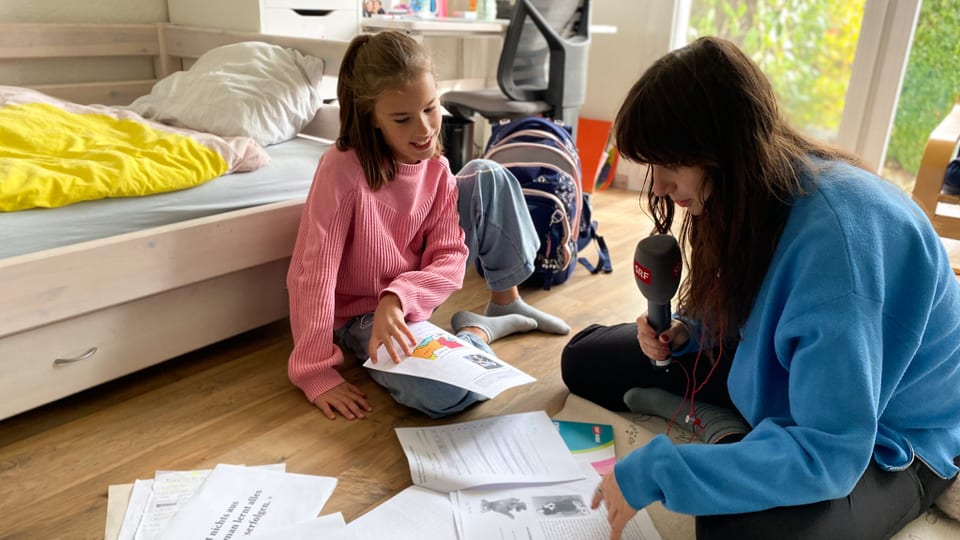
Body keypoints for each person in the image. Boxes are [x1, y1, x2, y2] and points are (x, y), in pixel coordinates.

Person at [561, 36, 960, 539]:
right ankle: (742, 435)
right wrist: (692, 330)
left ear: (724, 152)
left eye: (670, 165)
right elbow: (759, 298)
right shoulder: (754, 195)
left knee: (737, 528)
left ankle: (749, 441)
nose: (657, 186)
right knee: (584, 359)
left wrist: (661, 471)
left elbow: (830, 453)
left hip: (891, 429)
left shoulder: (835, 252)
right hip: (795, 370)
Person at [287, 31, 569, 422]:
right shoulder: (343, 169)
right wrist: (316, 371)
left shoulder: (436, 169)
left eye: (430, 108)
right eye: (402, 119)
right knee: (447, 394)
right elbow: (313, 270)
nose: (423, 129)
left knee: (489, 173)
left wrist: (399, 297)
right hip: (361, 315)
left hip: (407, 299)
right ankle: (476, 333)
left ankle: (503, 306)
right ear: (372, 118)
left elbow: (450, 255)